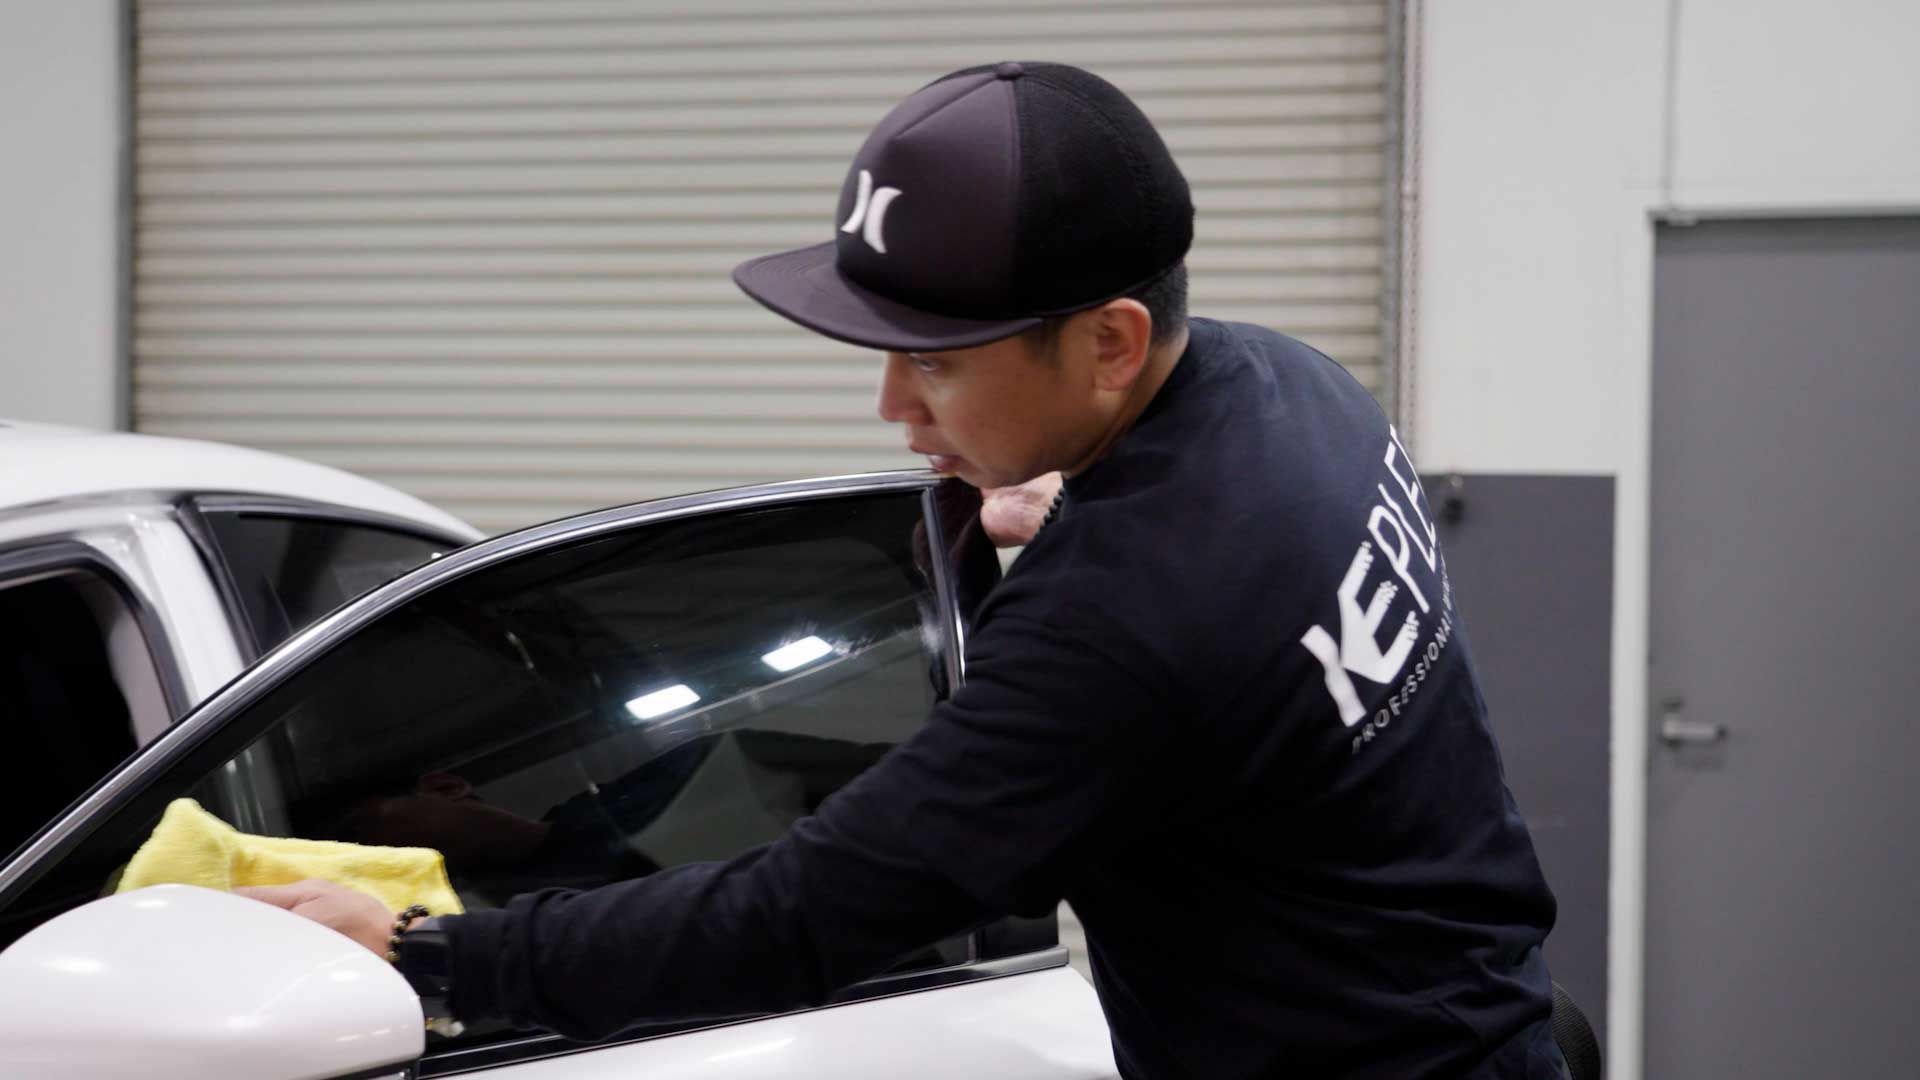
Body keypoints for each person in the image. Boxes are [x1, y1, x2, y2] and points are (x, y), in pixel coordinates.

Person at [242, 62, 1567, 1078]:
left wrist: (433, 960)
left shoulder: (1138, 617)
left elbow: (810, 913)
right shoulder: (1288, 387)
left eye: (935, 359)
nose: (892, 404)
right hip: (1473, 1013)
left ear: (1108, 340)